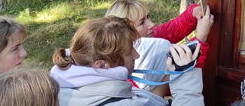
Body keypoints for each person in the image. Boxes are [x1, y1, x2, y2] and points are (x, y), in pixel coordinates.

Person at [50, 16, 204, 105]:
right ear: (103, 65)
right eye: (130, 51)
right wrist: (186, 85)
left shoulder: (60, 91)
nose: (136, 55)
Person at [105, 0, 214, 69]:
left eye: (148, 17)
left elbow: (173, 29)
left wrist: (192, 13)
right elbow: (181, 77)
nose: (151, 24)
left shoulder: (149, 36)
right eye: (142, 22)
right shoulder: (131, 63)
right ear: (124, 31)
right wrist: (200, 39)